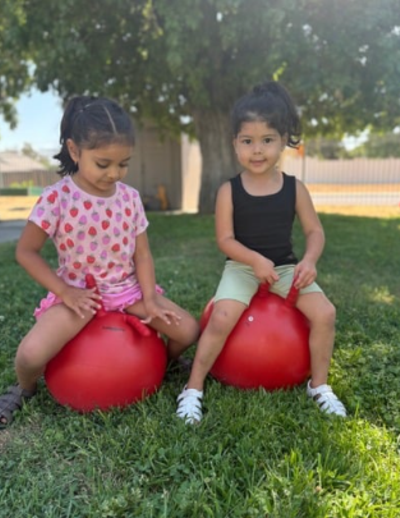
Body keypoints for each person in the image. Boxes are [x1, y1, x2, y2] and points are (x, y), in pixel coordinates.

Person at [0, 96, 199, 427]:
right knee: (30, 355)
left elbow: (142, 254)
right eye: (103, 164)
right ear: (75, 151)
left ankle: (162, 361)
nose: (114, 174)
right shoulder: (57, 197)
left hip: (127, 291)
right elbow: (26, 252)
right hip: (79, 293)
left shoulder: (130, 198)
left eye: (123, 164)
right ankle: (24, 388)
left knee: (188, 330)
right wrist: (65, 293)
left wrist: (149, 297)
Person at [176, 81, 347, 424]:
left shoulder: (294, 189)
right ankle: (193, 388)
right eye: (247, 141)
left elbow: (314, 231)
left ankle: (320, 385)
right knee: (221, 317)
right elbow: (225, 240)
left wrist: (308, 260)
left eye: (267, 140)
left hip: (285, 269)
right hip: (242, 267)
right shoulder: (229, 190)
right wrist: (253, 260)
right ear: (235, 144)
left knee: (325, 313)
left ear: (283, 141)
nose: (257, 151)